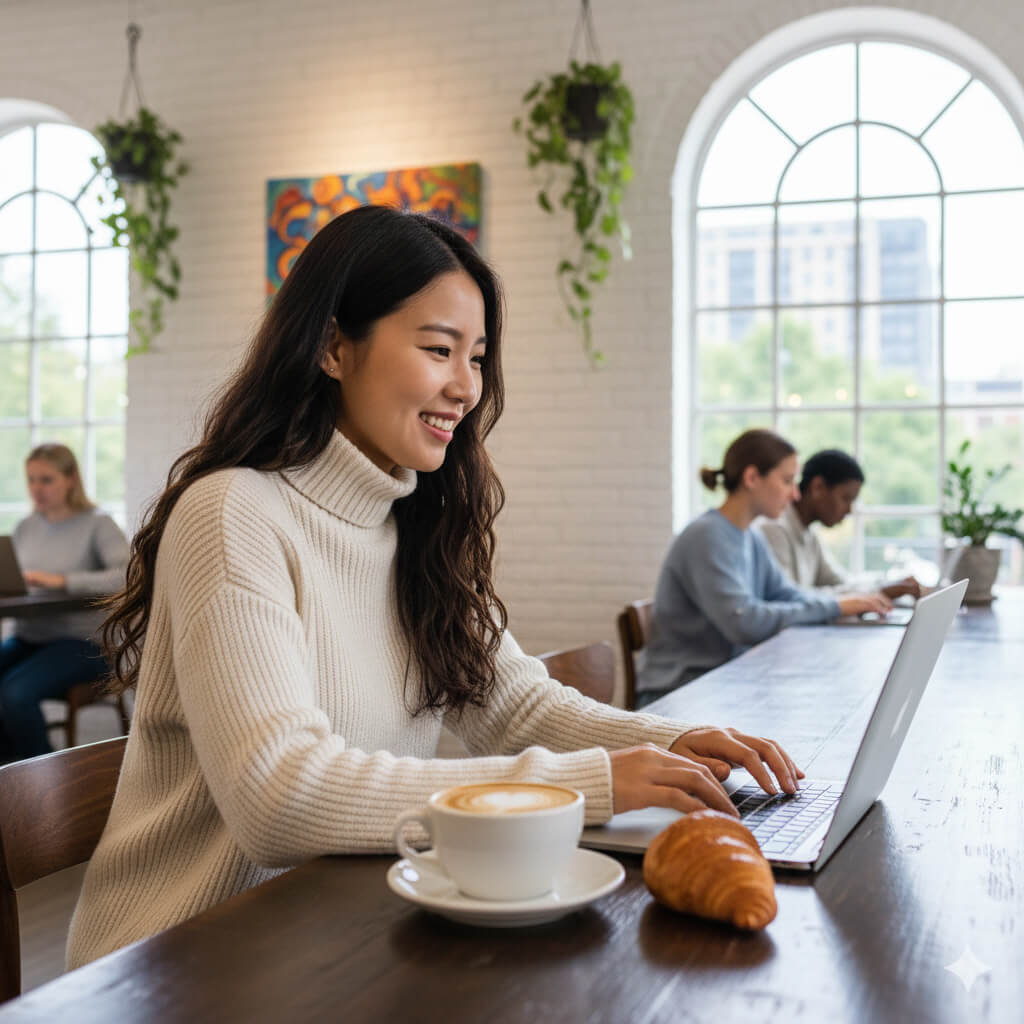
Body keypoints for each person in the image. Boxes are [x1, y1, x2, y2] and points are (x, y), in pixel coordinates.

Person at [68, 207, 805, 968]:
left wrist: (670, 743)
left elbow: (515, 705)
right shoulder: (233, 514)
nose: (466, 386)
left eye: (477, 357)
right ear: (332, 347)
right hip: (181, 964)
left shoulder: (414, 524)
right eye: (438, 349)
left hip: (334, 937)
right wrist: (594, 782)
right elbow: (279, 798)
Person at [637, 430, 891, 707]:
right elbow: (745, 622)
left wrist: (843, 603)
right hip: (680, 693)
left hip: (724, 683)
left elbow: (786, 593)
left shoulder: (750, 536)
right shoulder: (706, 536)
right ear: (751, 478)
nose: (795, 493)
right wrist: (836, 607)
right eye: (787, 480)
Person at [0, 443, 129, 763]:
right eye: (31, 480)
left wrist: (62, 580)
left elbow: (126, 576)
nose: (36, 489)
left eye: (46, 479)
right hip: (31, 637)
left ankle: (43, 778)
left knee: (14, 694)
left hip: (83, 644)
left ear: (70, 478)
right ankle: (8, 771)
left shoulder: (98, 523)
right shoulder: (27, 527)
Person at [756, 449, 923, 600]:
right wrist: (874, 593)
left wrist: (885, 586)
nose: (849, 510)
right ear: (818, 488)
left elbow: (840, 582)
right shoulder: (774, 528)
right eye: (845, 498)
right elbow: (792, 599)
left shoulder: (808, 534)